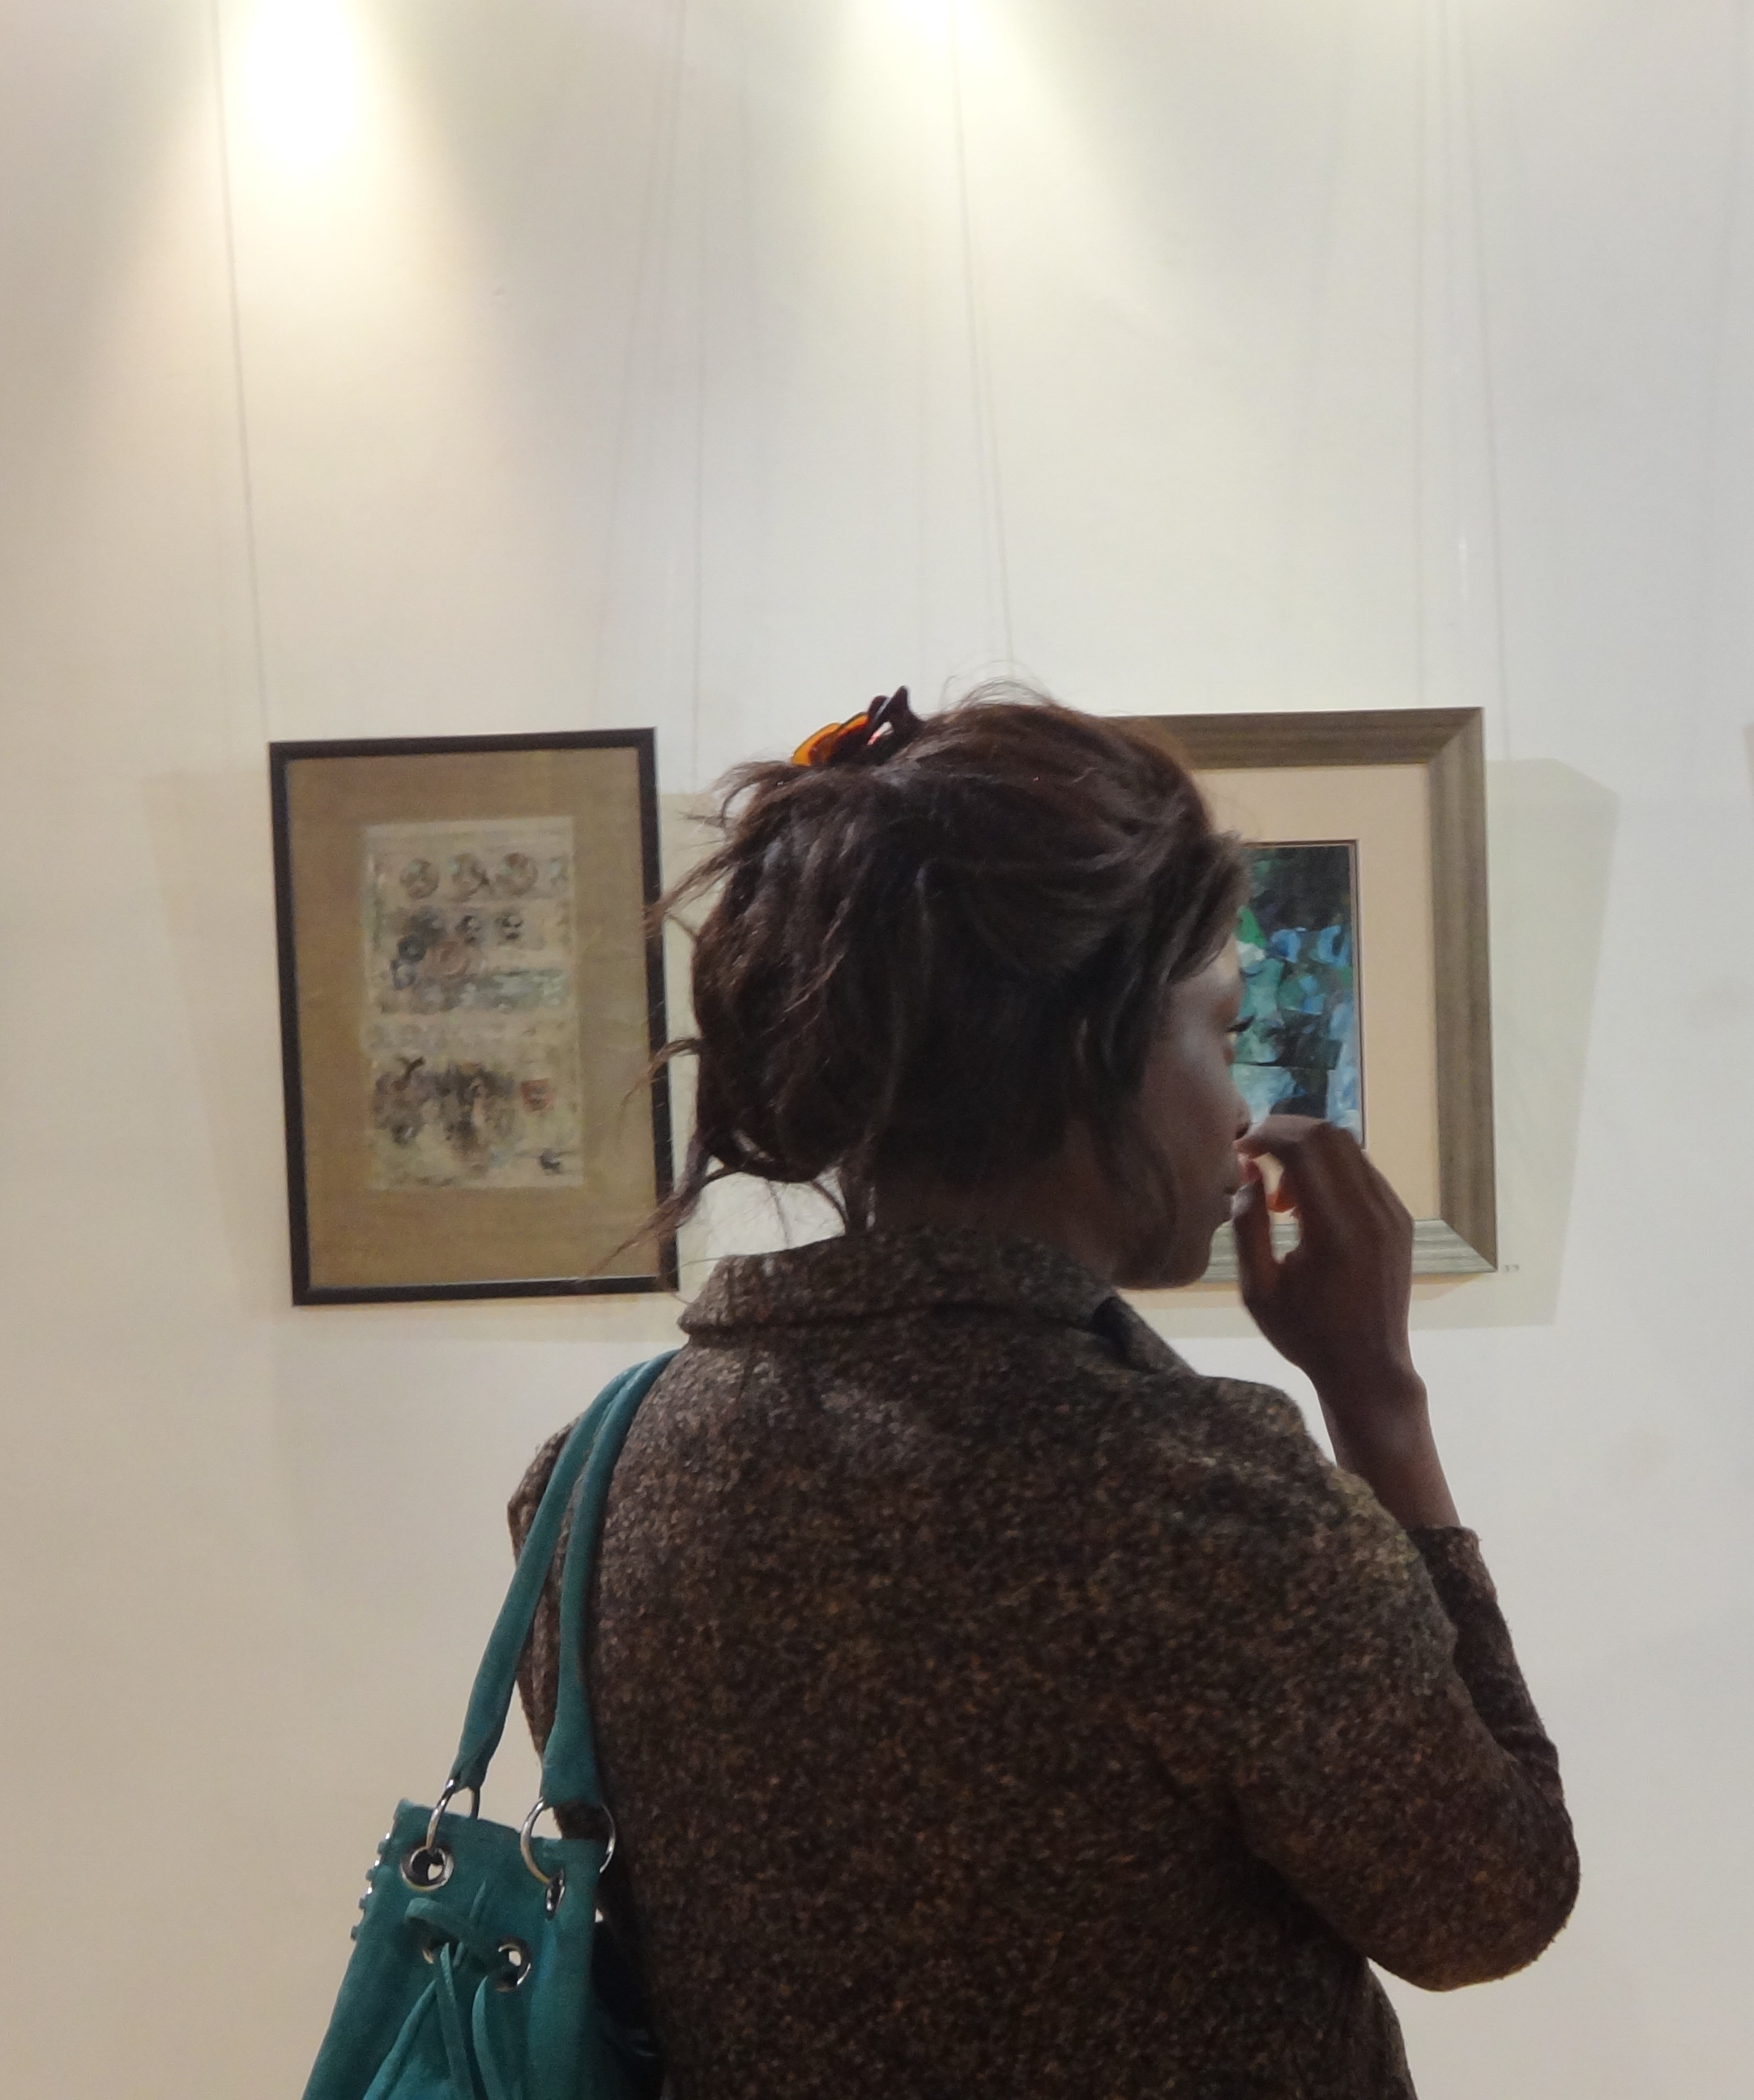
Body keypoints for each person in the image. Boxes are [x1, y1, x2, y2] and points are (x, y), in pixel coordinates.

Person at [508, 685, 1577, 2098]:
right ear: (1094, 1047)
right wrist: (1378, 1401)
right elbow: (1488, 1901)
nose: (1240, 1108)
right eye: (1220, 1028)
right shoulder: (1198, 1506)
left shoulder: (593, 1479)